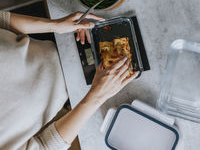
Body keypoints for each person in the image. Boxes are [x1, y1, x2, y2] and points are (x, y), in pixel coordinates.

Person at [0, 10, 138, 150]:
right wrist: (96, 96)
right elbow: (45, 146)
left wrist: (55, 25)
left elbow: (2, 21)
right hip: (75, 95)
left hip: (54, 41)